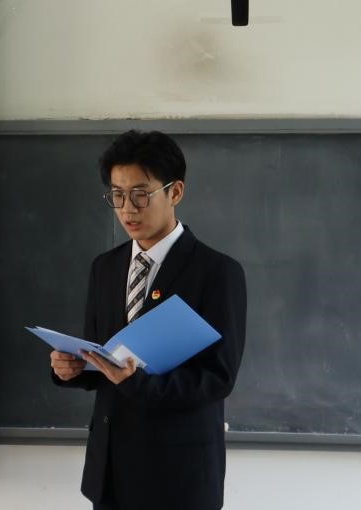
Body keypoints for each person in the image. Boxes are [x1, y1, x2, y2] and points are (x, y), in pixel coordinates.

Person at [50, 130, 247, 510]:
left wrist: (137, 383)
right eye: (117, 195)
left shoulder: (216, 272)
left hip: (179, 474)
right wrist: (72, 368)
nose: (127, 209)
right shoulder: (105, 268)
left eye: (140, 194)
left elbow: (218, 377)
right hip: (111, 472)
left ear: (175, 192)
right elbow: (103, 355)